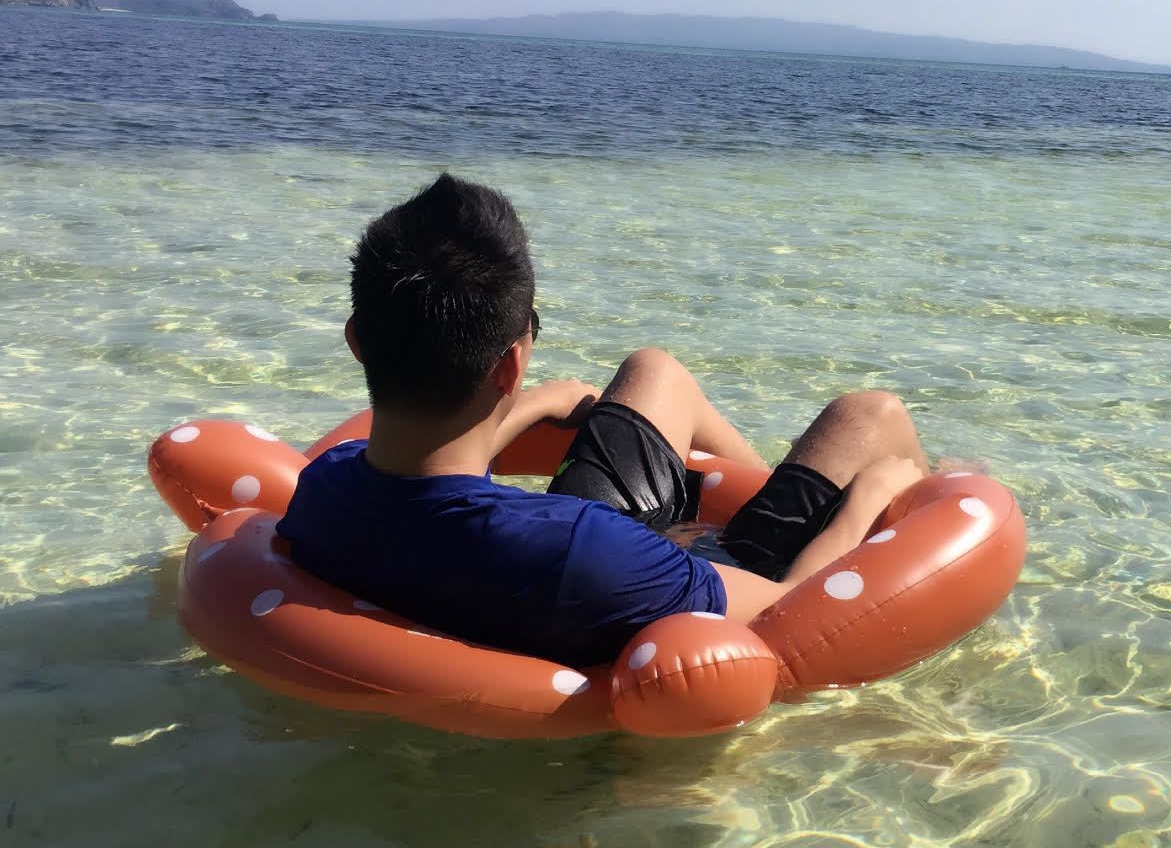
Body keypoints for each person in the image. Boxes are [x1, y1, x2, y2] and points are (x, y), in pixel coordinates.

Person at [277, 173, 927, 668]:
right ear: (511, 362)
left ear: (357, 339)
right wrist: (862, 504)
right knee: (871, 417)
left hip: (533, 573)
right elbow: (790, 611)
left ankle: (764, 498)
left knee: (655, 373)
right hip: (623, 583)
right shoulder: (582, 548)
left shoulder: (324, 488)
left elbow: (428, 482)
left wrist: (532, 403)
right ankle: (809, 511)